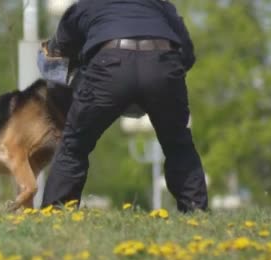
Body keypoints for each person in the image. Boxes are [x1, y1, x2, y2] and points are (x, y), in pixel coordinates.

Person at [40, 0, 208, 213]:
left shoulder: (85, 5)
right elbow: (187, 55)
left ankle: (55, 213)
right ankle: (196, 213)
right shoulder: (161, 5)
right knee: (179, 146)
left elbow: (58, 54)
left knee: (74, 146)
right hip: (163, 63)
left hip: (109, 66)